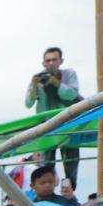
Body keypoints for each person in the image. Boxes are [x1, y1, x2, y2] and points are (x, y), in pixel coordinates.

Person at [25, 47, 81, 187]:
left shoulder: (69, 74)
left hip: (68, 125)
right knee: (46, 167)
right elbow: (28, 103)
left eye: (54, 60)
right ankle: (48, 193)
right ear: (43, 63)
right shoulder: (38, 78)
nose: (51, 63)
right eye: (47, 60)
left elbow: (72, 95)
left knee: (70, 162)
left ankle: (69, 192)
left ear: (60, 61)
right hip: (47, 127)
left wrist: (56, 83)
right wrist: (33, 85)